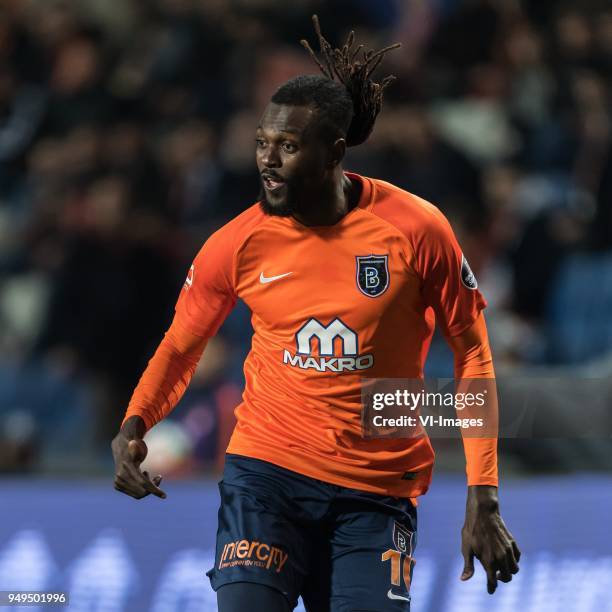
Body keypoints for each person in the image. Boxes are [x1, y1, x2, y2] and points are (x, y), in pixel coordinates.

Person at [111, 16, 520, 612]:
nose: (268, 162)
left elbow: (473, 351)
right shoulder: (239, 241)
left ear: (333, 152)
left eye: (288, 146)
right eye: (262, 143)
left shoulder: (416, 229)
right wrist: (135, 425)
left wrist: (483, 496)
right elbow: (181, 346)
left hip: (377, 489)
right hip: (266, 473)